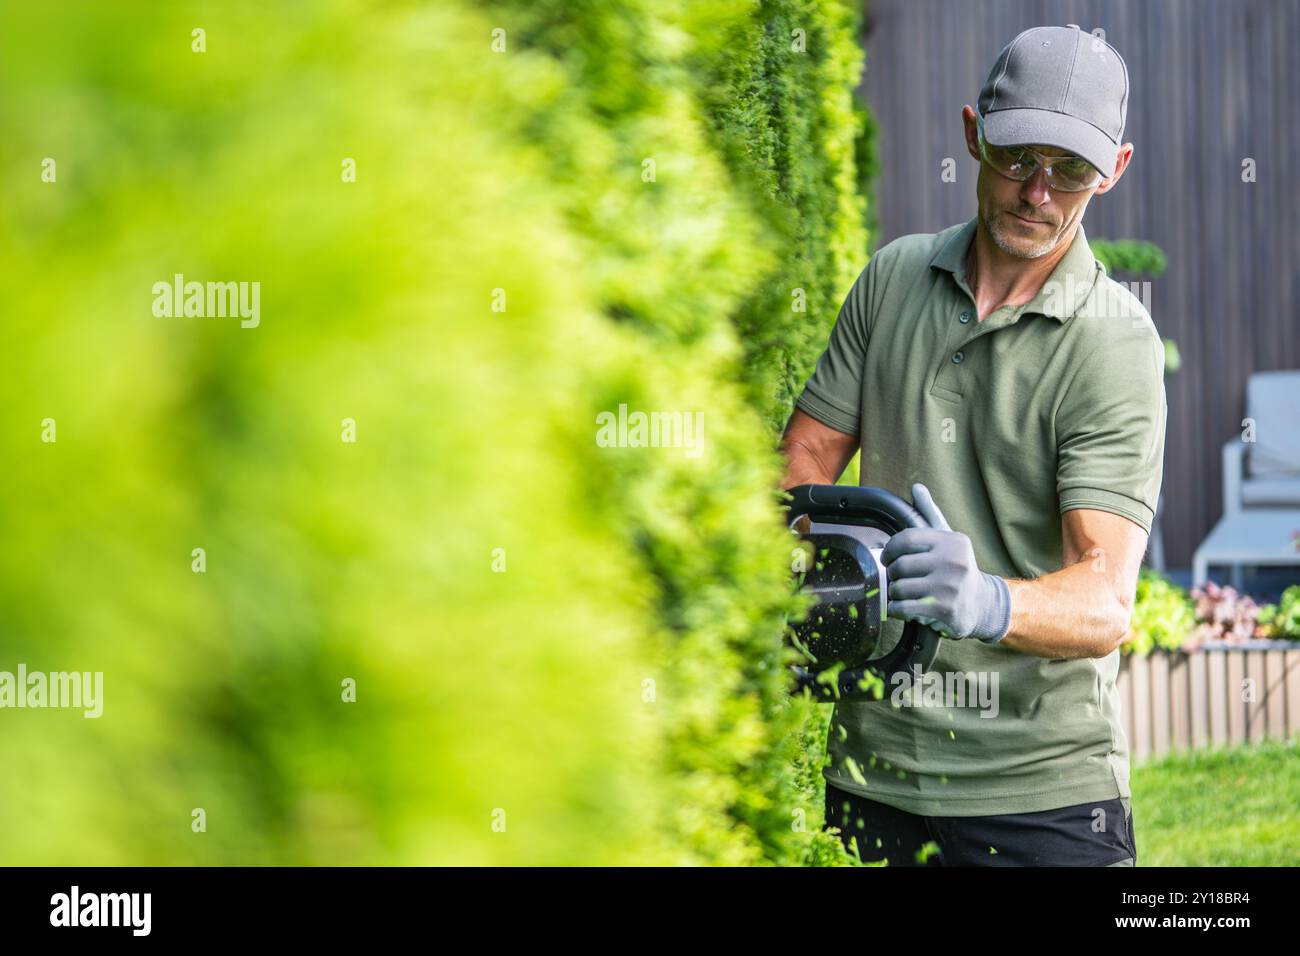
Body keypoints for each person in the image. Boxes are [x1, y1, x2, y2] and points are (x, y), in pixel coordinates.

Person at [779, 24, 1164, 866]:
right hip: (870, 768)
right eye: (1019, 156)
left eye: (1072, 170)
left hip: (1041, 791)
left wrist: (987, 601)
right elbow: (802, 464)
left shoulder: (1113, 342)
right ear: (971, 135)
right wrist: (840, 558)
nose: (1040, 193)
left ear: (1116, 170)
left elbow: (1105, 602)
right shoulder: (893, 278)